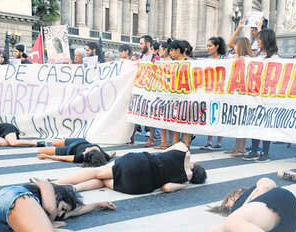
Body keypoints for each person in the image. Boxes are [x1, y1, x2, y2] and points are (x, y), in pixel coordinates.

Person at [52, 142, 207, 194]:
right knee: (103, 181)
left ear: (196, 164)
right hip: (140, 185)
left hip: (140, 163)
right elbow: (166, 188)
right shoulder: (185, 180)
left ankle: (55, 183)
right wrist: (183, 184)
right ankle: (73, 189)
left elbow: (163, 153)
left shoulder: (184, 150)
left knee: (98, 172)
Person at [242, 28, 278, 163]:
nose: (257, 41)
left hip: (267, 97)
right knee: (255, 123)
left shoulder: (275, 58)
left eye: (260, 39)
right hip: (256, 96)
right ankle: (254, 149)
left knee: (265, 124)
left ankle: (265, 152)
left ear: (266, 40)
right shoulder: (259, 57)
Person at [223, 37, 252, 157]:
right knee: (236, 121)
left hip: (244, 94)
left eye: (236, 45)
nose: (233, 47)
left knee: (242, 122)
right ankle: (236, 147)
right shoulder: (234, 57)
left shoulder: (248, 59)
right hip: (236, 93)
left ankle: (242, 148)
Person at [201, 37, 227, 151]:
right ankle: (209, 140)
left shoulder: (223, 58)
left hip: (220, 91)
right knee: (210, 115)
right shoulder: (208, 59)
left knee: (219, 115)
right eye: (207, 46)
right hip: (209, 90)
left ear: (217, 47)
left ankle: (219, 141)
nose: (208, 48)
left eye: (210, 46)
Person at [168, 40, 193, 148]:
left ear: (178, 50)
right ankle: (176, 144)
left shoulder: (188, 62)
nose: (170, 53)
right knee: (175, 122)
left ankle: (187, 146)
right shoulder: (171, 63)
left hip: (186, 95)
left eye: (172, 50)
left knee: (185, 122)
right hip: (174, 95)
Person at [139, 35, 161, 147]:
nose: (140, 46)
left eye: (141, 43)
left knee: (151, 114)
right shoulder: (140, 57)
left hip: (151, 89)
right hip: (141, 88)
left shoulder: (155, 58)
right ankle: (132, 137)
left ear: (148, 44)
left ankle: (151, 138)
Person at [154, 39, 176, 150]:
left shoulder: (173, 62)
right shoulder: (158, 63)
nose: (158, 52)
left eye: (160, 50)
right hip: (161, 94)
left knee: (170, 120)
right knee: (162, 120)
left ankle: (170, 142)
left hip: (170, 94)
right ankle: (164, 143)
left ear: (165, 50)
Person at [37, 138, 116, 167]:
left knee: (40, 151)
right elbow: (110, 155)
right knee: (54, 143)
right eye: (86, 152)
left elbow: (63, 158)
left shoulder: (81, 157)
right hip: (79, 141)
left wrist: (46, 156)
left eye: (84, 154)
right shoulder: (104, 156)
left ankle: (58, 147)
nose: (83, 152)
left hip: (70, 149)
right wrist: (112, 153)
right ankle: (62, 141)